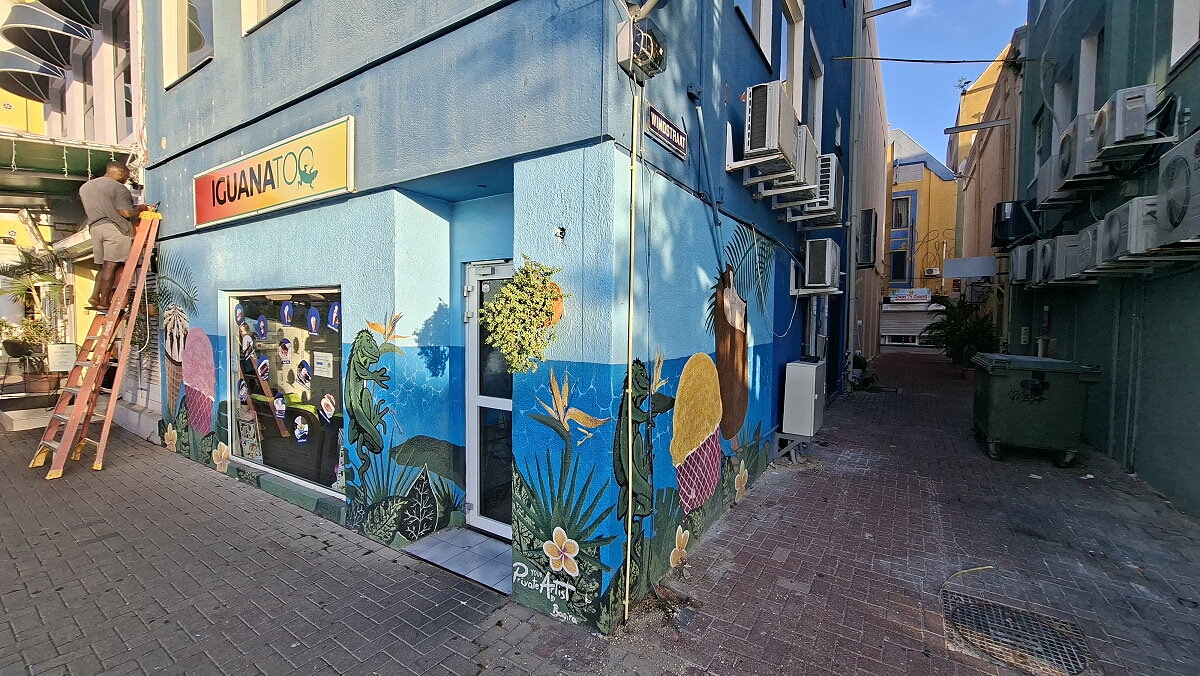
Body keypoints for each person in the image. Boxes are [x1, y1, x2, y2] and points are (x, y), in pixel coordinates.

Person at [79, 162, 150, 312]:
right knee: (111, 265)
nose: (125, 180)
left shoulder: (85, 187)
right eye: (126, 177)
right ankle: (104, 301)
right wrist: (140, 208)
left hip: (95, 228)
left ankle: (95, 296)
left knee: (104, 266)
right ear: (120, 173)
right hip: (114, 228)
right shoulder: (118, 188)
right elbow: (125, 212)